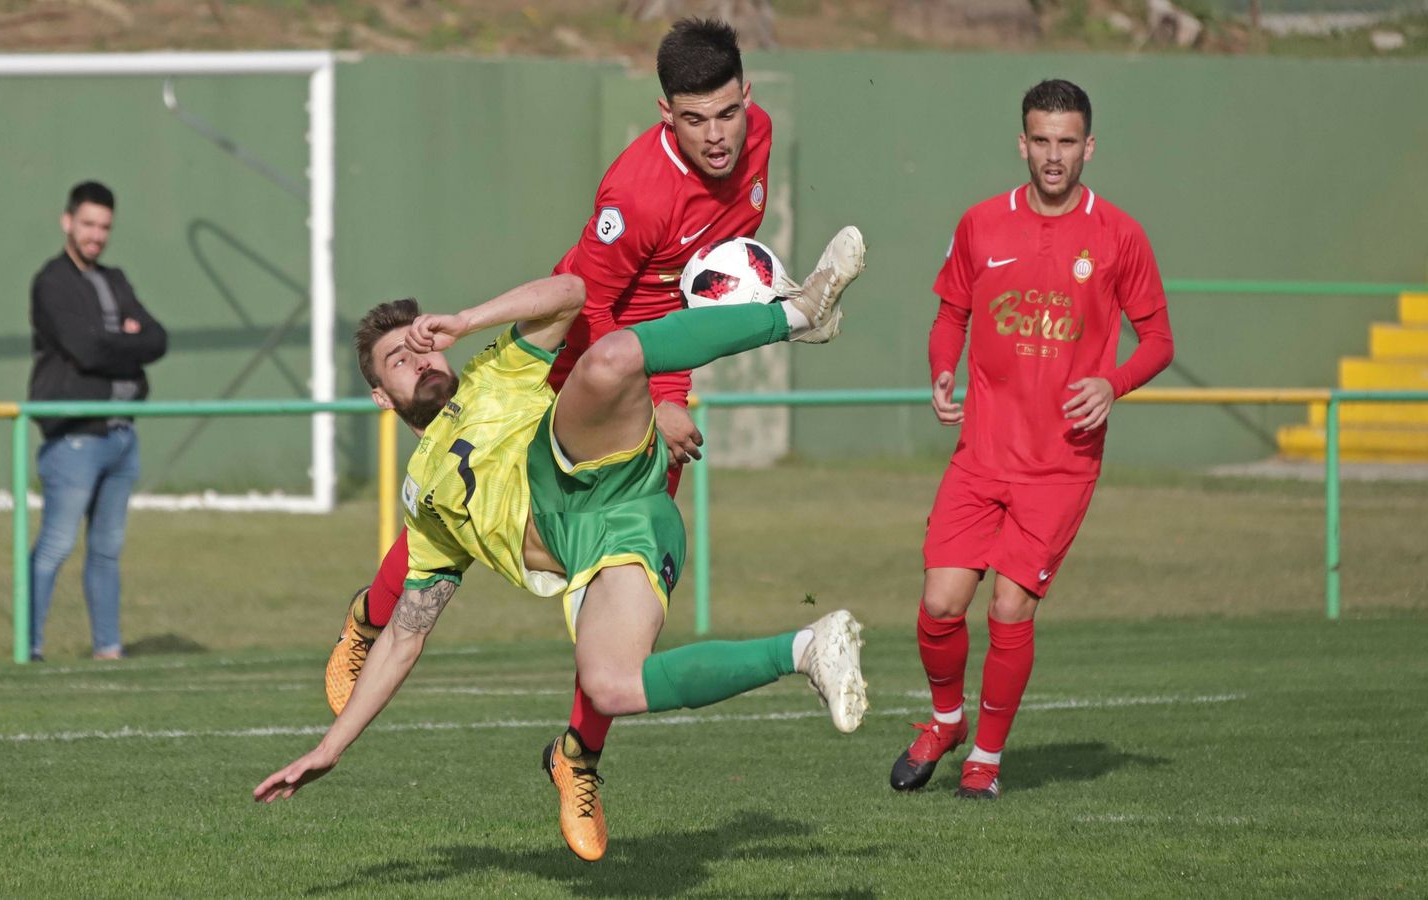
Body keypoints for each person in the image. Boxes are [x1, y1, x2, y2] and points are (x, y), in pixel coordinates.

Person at [258, 223, 869, 862]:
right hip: (624, 536)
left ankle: (798, 314)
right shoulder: (425, 503)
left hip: (584, 470)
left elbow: (572, 291)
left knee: (607, 361)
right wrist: (330, 748)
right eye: (400, 362)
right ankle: (806, 649)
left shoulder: (494, 374)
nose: (421, 360)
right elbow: (406, 636)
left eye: (422, 348)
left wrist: (464, 321)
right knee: (610, 687)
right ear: (383, 397)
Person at [324, 15, 778, 840]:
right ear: (663, 112)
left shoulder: (757, 143)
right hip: (592, 363)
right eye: (695, 118)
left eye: (728, 113)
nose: (718, 136)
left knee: (626, 604)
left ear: (748, 98)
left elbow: (702, 281)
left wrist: (674, 380)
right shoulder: (634, 192)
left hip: (656, 361)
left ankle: (578, 757)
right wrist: (643, 399)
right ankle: (368, 618)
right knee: (445, 498)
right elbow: (587, 299)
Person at [889, 80, 1175, 800]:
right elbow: (950, 314)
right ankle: (945, 721)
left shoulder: (1119, 235)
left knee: (1010, 610)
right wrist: (940, 372)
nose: (1054, 156)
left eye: (1067, 141)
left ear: (1089, 146)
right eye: (1041, 141)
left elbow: (1160, 340)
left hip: (1060, 464)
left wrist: (1113, 383)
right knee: (939, 604)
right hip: (981, 456)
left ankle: (984, 759)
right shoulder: (981, 224)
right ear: (1022, 143)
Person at [27, 180, 167, 661]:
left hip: (122, 435)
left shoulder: (115, 279)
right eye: (87, 224)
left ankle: (108, 648)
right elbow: (83, 349)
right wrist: (124, 340)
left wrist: (118, 340)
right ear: (68, 222)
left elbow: (157, 340)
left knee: (107, 550)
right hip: (74, 438)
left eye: (104, 226)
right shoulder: (52, 281)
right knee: (55, 547)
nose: (96, 235)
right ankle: (30, 648)